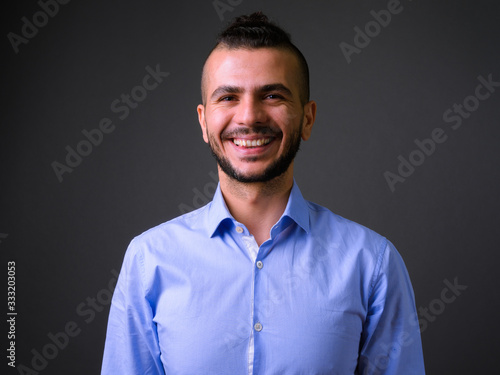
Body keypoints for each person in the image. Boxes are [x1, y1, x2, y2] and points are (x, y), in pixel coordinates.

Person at [101, 12, 425, 375]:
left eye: (272, 95)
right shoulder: (149, 261)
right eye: (228, 97)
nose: (249, 117)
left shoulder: (373, 264)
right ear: (203, 121)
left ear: (307, 118)